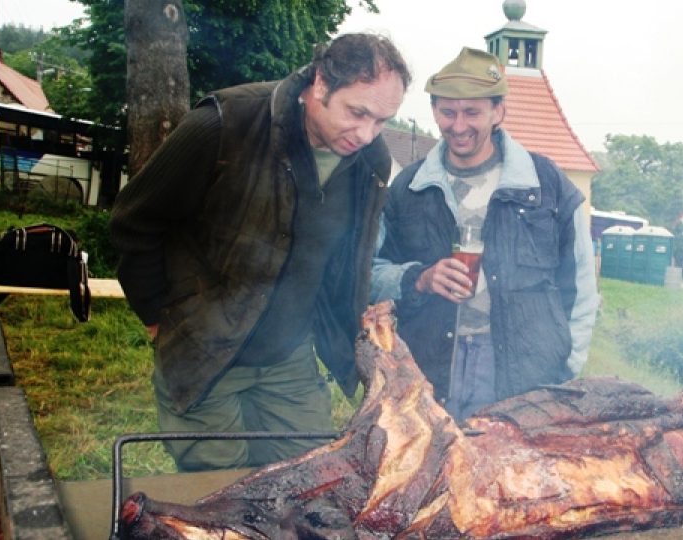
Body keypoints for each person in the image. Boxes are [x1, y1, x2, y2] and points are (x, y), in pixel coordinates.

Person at [109, 33, 411, 471]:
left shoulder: (371, 162)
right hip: (205, 353)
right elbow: (132, 223)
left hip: (288, 359)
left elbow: (349, 261)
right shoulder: (224, 125)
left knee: (307, 480)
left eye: (382, 120)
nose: (367, 134)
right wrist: (159, 318)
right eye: (358, 112)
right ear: (321, 85)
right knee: (221, 494)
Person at [372, 47, 598, 421]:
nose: (458, 126)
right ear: (434, 112)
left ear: (498, 112)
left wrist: (565, 371)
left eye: (472, 112)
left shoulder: (547, 186)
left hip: (522, 376)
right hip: (429, 370)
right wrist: (420, 278)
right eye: (448, 112)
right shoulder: (408, 188)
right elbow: (369, 274)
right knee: (437, 474)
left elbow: (581, 290)